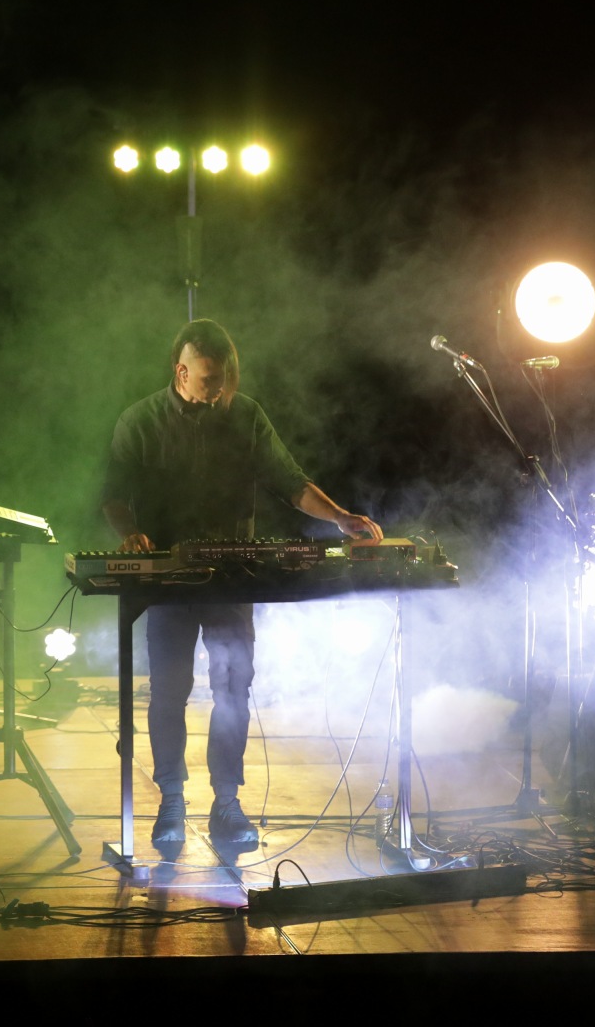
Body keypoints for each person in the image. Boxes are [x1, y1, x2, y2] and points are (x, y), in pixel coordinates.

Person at [101, 320, 382, 848]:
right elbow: (113, 493)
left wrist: (339, 517)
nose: (219, 391)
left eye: (225, 379)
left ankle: (226, 802)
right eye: (209, 380)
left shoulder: (245, 414)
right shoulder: (139, 420)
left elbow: (289, 480)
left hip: (233, 577)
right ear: (181, 373)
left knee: (232, 687)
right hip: (169, 581)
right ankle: (171, 801)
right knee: (169, 691)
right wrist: (129, 532)